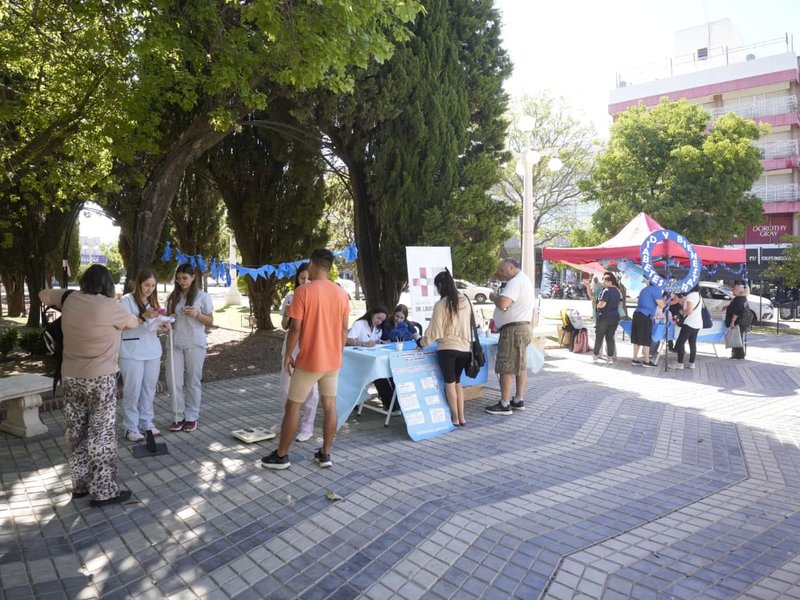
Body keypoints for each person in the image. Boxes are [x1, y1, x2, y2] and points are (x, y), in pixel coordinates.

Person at [39, 265, 140, 506]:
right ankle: (104, 491)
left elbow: (43, 294)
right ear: (108, 285)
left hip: (71, 378)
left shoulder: (69, 299)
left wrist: (66, 297)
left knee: (76, 433)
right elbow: (134, 322)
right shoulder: (111, 306)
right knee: (101, 434)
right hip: (101, 379)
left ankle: (80, 486)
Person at [262, 248, 350, 470]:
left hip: (309, 361)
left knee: (293, 407)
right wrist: (338, 352)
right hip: (332, 361)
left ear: (311, 264)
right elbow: (344, 329)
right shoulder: (341, 294)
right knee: (330, 406)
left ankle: (282, 455)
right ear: (329, 268)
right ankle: (325, 454)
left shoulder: (303, 292)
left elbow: (295, 329)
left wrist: (288, 355)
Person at [119, 268, 170, 442]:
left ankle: (146, 422)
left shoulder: (153, 303)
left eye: (153, 285)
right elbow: (122, 325)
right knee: (133, 390)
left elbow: (152, 327)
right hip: (132, 352)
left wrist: (163, 327)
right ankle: (130, 427)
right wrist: (142, 316)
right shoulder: (126, 301)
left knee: (149, 389)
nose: (149, 289)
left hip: (152, 351)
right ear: (138, 283)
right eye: (146, 285)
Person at [165, 263, 214, 432]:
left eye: (185, 278)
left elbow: (210, 320)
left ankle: (192, 416)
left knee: (192, 380)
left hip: (195, 343)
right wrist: (170, 317)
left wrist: (197, 314)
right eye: (178, 279)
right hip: (175, 343)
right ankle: (178, 416)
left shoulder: (202, 296)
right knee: (173, 381)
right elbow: (168, 320)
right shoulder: (172, 297)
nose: (181, 282)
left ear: (193, 277)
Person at [420, 269, 472, 427]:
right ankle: (462, 417)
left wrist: (421, 342)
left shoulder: (441, 304)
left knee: (449, 383)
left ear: (440, 285)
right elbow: (472, 323)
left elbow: (434, 331)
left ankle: (455, 417)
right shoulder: (465, 300)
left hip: (448, 348)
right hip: (465, 349)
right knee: (458, 383)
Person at [275, 263, 319, 442]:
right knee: (285, 389)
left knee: (312, 391)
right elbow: (285, 326)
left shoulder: (318, 297)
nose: (305, 281)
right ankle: (285, 423)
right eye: (302, 278)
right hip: (291, 348)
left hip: (311, 349)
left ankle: (307, 427)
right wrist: (287, 314)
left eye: (309, 278)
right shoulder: (291, 297)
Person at [485, 258, 534, 416]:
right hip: (523, 327)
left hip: (513, 330)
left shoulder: (515, 282)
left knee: (506, 366)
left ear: (513, 268)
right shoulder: (524, 280)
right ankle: (518, 399)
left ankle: (504, 403)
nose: (501, 272)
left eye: (504, 269)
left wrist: (493, 297)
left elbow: (503, 303)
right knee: (520, 365)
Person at [631, 280, 666, 368]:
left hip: (637, 313)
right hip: (645, 315)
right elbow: (661, 305)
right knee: (646, 338)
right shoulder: (656, 289)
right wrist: (668, 299)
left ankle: (635, 359)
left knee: (636, 338)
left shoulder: (645, 289)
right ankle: (646, 361)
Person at [592, 272, 622, 363]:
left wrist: (598, 305)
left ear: (609, 281)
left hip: (604, 316)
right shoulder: (617, 291)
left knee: (599, 337)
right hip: (614, 317)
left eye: (605, 281)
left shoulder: (606, 290)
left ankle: (595, 355)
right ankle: (610, 357)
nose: (603, 283)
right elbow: (620, 303)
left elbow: (603, 304)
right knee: (610, 338)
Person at [674, 284, 703, 369]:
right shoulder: (698, 295)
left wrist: (681, 311)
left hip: (689, 323)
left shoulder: (690, 296)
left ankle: (680, 363)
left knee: (680, 343)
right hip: (697, 323)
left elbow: (689, 311)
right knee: (692, 343)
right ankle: (692, 363)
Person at [725, 282, 748, 360]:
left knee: (737, 337)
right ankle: (736, 354)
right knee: (738, 337)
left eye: (734, 289)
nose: (732, 290)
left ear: (738, 291)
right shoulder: (743, 298)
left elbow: (737, 311)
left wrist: (732, 321)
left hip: (738, 321)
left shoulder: (738, 299)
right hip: (742, 321)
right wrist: (727, 306)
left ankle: (739, 355)